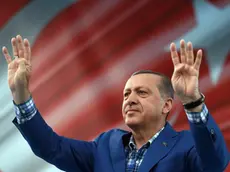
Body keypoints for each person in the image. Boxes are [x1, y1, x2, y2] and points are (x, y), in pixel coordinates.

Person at [2, 35, 229, 172]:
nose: (130, 99)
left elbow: (215, 164)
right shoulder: (105, 146)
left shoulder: (187, 145)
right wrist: (21, 96)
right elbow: (51, 147)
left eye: (141, 92)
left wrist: (192, 101)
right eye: (126, 94)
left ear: (167, 105)